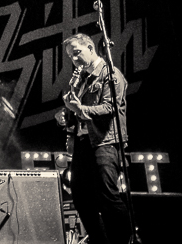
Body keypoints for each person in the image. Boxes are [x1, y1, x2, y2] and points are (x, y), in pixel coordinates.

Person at [56, 32, 132, 244]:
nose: (74, 59)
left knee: (107, 195)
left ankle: (123, 240)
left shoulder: (110, 74)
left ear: (90, 48)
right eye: (70, 56)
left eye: (77, 52)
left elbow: (110, 107)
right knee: (80, 196)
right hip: (84, 143)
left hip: (105, 143)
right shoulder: (83, 79)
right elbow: (77, 113)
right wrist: (65, 115)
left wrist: (79, 109)